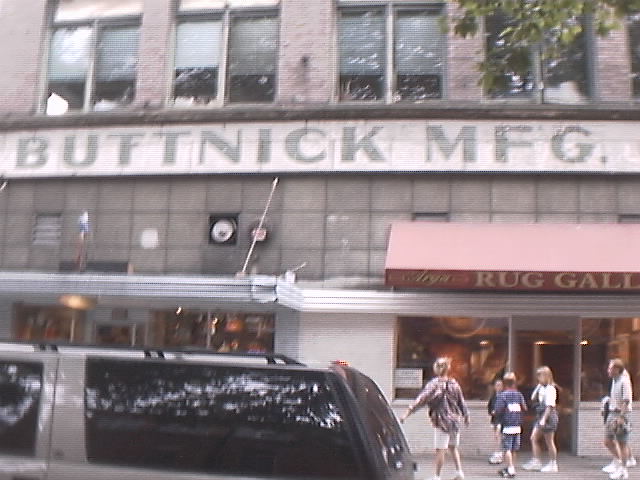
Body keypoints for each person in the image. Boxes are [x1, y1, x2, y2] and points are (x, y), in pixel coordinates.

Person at [400, 357, 469, 480]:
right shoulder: (454, 384)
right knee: (453, 447)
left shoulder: (434, 384)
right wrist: (466, 416)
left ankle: (437, 476)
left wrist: (407, 413)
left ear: (437, 369)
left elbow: (421, 399)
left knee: (440, 449)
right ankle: (459, 472)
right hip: (454, 421)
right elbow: (461, 401)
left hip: (442, 421)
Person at [522, 366, 559, 473]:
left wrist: (544, 419)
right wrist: (538, 387)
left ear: (546, 376)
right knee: (533, 438)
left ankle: (553, 463)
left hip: (548, 416)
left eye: (540, 376)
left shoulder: (551, 389)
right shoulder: (541, 387)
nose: (538, 378)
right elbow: (533, 397)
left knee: (549, 441)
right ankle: (536, 460)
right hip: (540, 415)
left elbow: (549, 406)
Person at [601, 358, 633, 480]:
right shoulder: (614, 381)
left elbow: (626, 400)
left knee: (622, 443)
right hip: (611, 412)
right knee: (607, 441)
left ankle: (623, 470)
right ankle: (618, 462)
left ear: (617, 369)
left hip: (620, 413)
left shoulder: (624, 381)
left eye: (610, 368)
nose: (608, 370)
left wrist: (621, 417)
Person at [494, 372, 527, 478]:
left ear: (504, 383)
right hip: (517, 424)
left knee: (506, 448)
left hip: (507, 425)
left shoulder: (503, 395)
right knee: (513, 448)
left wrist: (495, 414)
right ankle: (511, 466)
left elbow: (498, 410)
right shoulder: (519, 395)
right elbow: (524, 407)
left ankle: (510, 468)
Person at [488, 379, 505, 465]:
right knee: (496, 436)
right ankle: (497, 452)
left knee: (498, 435)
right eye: (497, 385)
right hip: (494, 419)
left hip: (501, 419)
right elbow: (489, 407)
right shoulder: (493, 397)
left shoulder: (504, 396)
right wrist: (491, 412)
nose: (498, 387)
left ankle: (499, 453)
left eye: (500, 385)